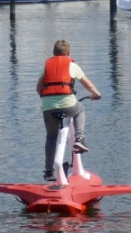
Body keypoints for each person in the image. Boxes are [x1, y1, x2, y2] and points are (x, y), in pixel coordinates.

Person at [36, 39, 102, 182]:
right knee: (80, 110)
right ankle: (79, 138)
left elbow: (38, 88)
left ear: (54, 53)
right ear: (68, 53)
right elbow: (87, 84)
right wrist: (96, 94)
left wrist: (48, 100)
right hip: (68, 104)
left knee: (51, 137)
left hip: (48, 107)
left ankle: (48, 171)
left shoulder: (46, 66)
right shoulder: (72, 65)